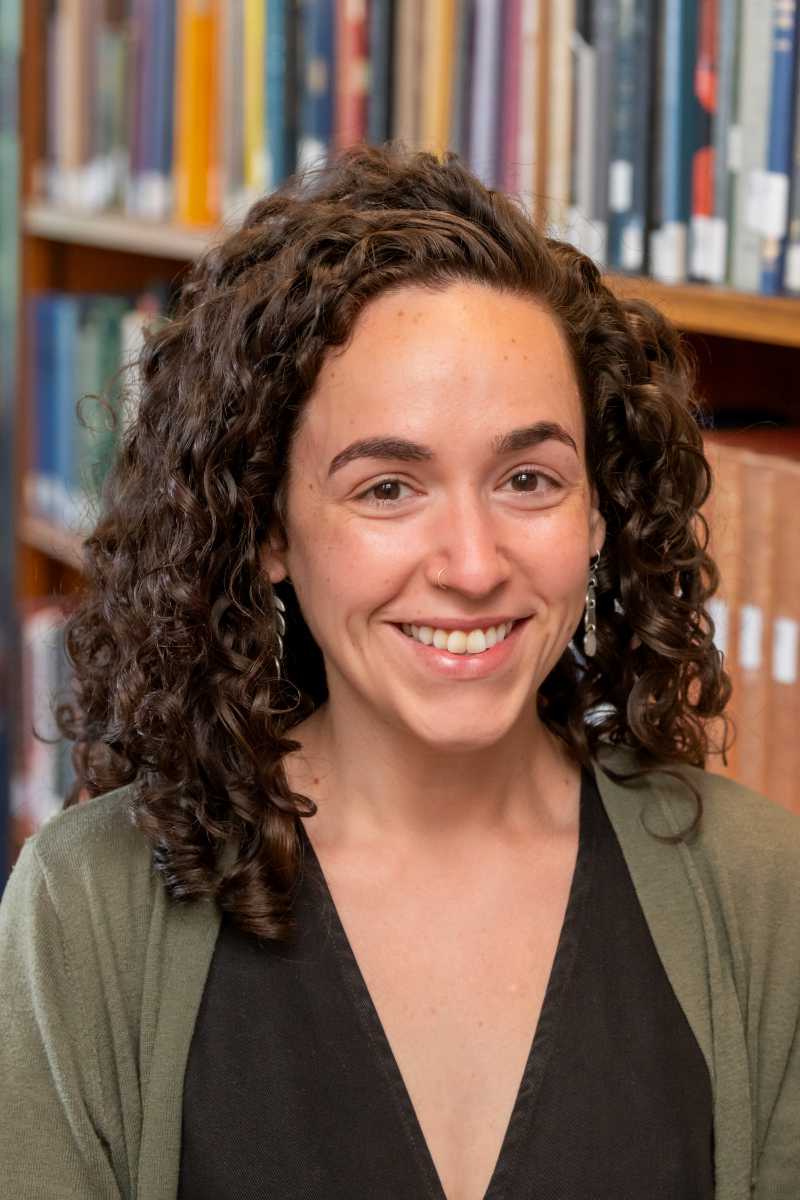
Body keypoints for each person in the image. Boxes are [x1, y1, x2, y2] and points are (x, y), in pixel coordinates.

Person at [1, 142, 799, 1200]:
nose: (472, 565)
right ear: (270, 526)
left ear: (598, 512)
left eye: (527, 478)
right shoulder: (88, 911)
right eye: (386, 487)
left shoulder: (756, 892)